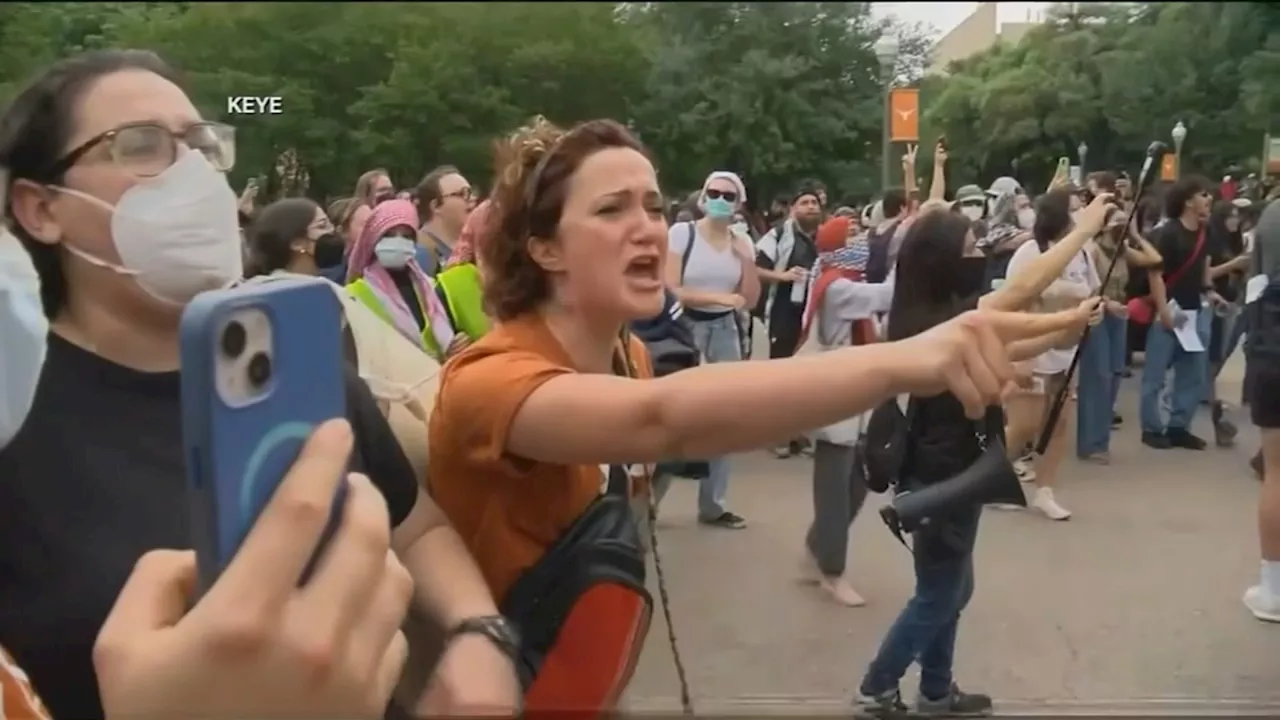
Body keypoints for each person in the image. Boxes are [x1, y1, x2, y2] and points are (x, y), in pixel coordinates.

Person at [427, 115, 1091, 712]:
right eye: (611, 209)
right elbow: (663, 420)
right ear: (543, 248)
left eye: (655, 206)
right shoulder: (491, 380)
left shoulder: (628, 352)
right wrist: (903, 360)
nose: (648, 228)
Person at [0, 49, 518, 719]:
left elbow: (415, 526)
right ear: (40, 209)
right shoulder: (16, 418)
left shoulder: (301, 372)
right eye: (143, 146)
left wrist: (478, 632)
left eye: (203, 148)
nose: (191, 176)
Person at [853, 196, 1109, 720]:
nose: (979, 256)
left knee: (949, 587)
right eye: (970, 248)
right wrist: (1082, 233)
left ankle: (936, 691)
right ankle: (877, 687)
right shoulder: (952, 318)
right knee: (941, 592)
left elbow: (1007, 341)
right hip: (946, 472)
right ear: (944, 260)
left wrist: (1068, 323)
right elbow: (1021, 291)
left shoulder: (925, 315)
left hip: (947, 468)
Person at [797, 215, 893, 607]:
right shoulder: (836, 287)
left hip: (855, 389)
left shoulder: (845, 283)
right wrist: (908, 249)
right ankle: (832, 571)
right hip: (834, 389)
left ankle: (816, 546)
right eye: (851, 235)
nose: (861, 241)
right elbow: (887, 295)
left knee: (858, 479)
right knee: (834, 485)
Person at [663, 170, 760, 529]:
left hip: (724, 329)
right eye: (714, 192)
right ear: (703, 195)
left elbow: (749, 300)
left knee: (724, 417)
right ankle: (649, 500)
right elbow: (670, 287)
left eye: (728, 195)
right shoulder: (682, 234)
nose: (720, 199)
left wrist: (746, 258)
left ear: (739, 204)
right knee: (673, 414)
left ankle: (713, 504)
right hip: (685, 326)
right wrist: (717, 296)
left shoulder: (740, 242)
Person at [1001, 189, 1103, 521]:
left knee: (1058, 424)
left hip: (1067, 350)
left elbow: (1092, 293)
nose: (1082, 214)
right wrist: (1021, 358)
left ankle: (1045, 491)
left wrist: (1094, 312)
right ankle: (988, 480)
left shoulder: (1084, 254)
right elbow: (1011, 302)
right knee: (1023, 425)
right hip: (1032, 350)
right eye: (1076, 209)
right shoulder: (1030, 253)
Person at [1139, 176, 1221, 450]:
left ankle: (1178, 426)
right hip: (1169, 310)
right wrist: (1163, 311)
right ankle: (1151, 428)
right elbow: (1156, 273)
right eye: (1203, 194)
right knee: (1156, 374)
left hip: (1194, 311)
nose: (1209, 199)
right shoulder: (1168, 233)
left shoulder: (1204, 232)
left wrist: (1210, 292)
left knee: (1193, 373)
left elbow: (1204, 267)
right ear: (1188, 201)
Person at [345, 199, 465, 361]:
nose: (398, 241)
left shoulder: (430, 288)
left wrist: (455, 348)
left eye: (407, 236)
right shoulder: (354, 295)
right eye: (389, 234)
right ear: (374, 238)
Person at [755, 184, 823, 458]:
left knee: (806, 373)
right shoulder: (779, 234)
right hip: (783, 312)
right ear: (793, 208)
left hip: (813, 314)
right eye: (805, 202)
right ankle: (777, 434)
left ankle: (799, 431)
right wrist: (782, 277)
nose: (811, 207)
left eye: (815, 203)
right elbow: (754, 268)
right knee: (781, 374)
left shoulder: (824, 237)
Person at [1205, 200, 1251, 447]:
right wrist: (1235, 264)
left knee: (1228, 355)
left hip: (1234, 302)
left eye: (1237, 217)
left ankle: (1221, 411)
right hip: (1217, 302)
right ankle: (1216, 407)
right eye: (1231, 216)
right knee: (1218, 357)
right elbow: (1208, 273)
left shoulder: (1237, 241)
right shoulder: (1213, 240)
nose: (1235, 221)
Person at [244, 197, 346, 278]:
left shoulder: (254, 291)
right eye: (322, 226)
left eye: (330, 224)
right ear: (297, 243)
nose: (332, 230)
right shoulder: (321, 293)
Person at [414, 165, 475, 275]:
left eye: (471, 192)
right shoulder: (420, 255)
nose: (472, 198)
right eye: (463, 193)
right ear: (435, 206)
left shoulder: (469, 250)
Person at [343, 169, 395, 248]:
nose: (388, 193)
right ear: (366, 193)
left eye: (390, 189)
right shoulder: (361, 215)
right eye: (382, 190)